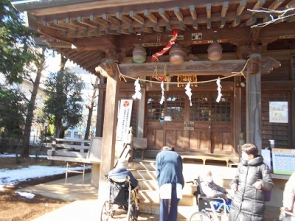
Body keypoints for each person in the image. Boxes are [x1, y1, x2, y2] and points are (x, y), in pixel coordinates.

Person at [229, 143, 274, 221]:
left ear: (251, 155)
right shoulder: (241, 165)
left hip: (253, 206)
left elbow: (269, 184)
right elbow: (236, 178)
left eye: (244, 153)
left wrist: (262, 184)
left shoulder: (262, 167)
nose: (242, 155)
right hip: (237, 202)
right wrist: (234, 183)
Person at [156, 146, 184, 221]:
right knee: (174, 205)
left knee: (164, 204)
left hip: (165, 181)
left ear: (162, 150)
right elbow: (181, 170)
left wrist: (160, 183)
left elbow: (158, 171)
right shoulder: (178, 155)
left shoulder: (160, 155)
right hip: (178, 181)